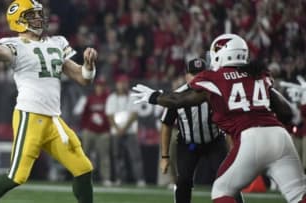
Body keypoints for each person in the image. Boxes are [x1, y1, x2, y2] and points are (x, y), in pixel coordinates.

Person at [131, 33, 306, 203]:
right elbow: (287, 113)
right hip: (279, 135)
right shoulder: (258, 73)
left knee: (222, 189)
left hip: (249, 136)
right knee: (298, 193)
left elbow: (179, 100)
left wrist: (154, 96)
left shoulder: (215, 78)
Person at [0, 0, 96, 202]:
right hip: (30, 116)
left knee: (83, 168)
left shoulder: (56, 42)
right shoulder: (15, 45)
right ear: (18, 21)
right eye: (31, 15)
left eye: (39, 14)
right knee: (17, 176)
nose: (38, 18)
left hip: (54, 120)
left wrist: (88, 65)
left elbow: (83, 78)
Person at [159, 58, 244, 203]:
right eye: (193, 74)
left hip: (214, 143)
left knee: (228, 178)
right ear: (186, 76)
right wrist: (165, 156)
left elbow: (229, 124)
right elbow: (166, 124)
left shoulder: (217, 93)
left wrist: (233, 149)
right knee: (184, 180)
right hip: (189, 144)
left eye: (201, 73)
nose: (197, 77)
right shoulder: (177, 96)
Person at [105, 74, 146, 187]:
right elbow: (110, 116)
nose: (122, 85)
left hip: (130, 131)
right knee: (117, 156)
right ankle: (119, 178)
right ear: (117, 84)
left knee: (135, 156)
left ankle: (140, 179)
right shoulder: (112, 97)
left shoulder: (132, 97)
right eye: (120, 83)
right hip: (116, 132)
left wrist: (124, 128)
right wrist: (118, 129)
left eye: (124, 83)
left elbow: (134, 115)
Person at [73, 76, 112, 186]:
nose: (100, 88)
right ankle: (83, 177)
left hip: (103, 131)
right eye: (99, 85)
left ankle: (106, 178)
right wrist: (85, 127)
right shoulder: (90, 98)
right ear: (96, 87)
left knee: (104, 156)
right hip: (90, 130)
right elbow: (83, 115)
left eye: (102, 86)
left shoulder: (108, 98)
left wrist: (104, 121)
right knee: (85, 154)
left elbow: (111, 114)